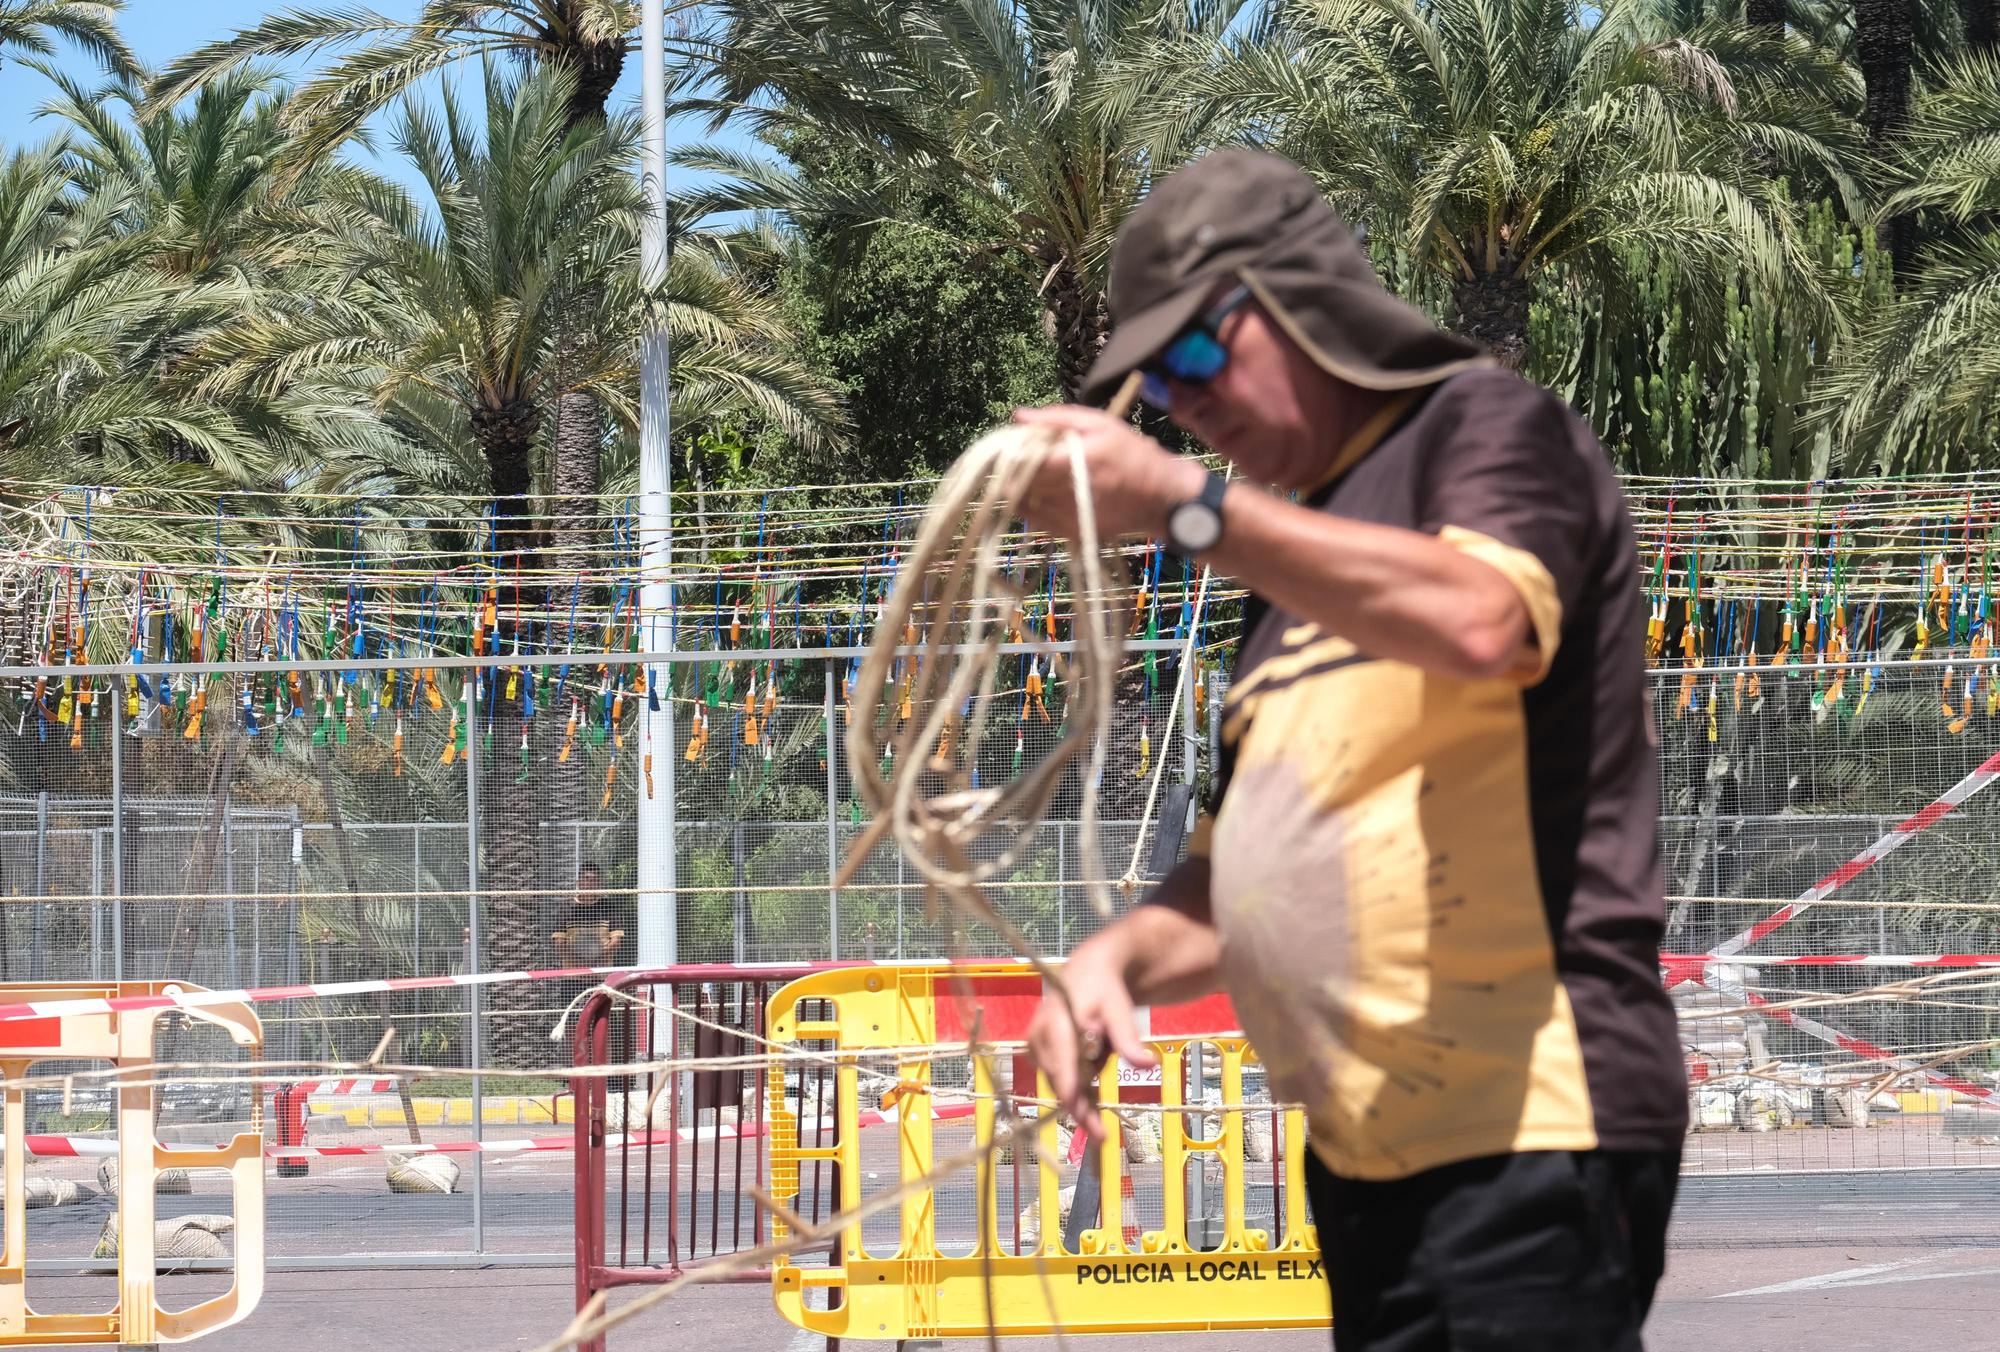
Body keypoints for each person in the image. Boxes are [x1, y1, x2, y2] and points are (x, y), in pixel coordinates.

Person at [1019, 149, 1686, 1351]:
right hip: (1366, 1150)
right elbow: (1238, 879)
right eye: (1154, 386)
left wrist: (1187, 506)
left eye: (1190, 355)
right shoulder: (1285, 558)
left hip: (1531, 1121)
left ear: (1296, 301)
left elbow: (1481, 620)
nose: (1180, 401)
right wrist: (1111, 956)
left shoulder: (1485, 429)